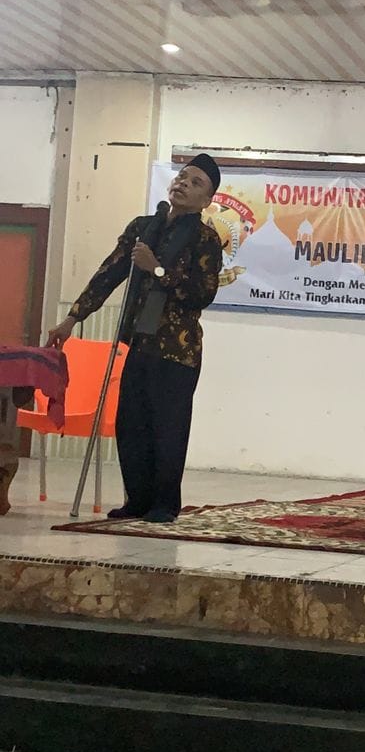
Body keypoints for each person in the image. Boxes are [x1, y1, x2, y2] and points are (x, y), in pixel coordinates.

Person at [48, 155, 224, 523]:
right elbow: (109, 273)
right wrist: (72, 318)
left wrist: (156, 269)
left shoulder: (205, 239)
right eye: (182, 177)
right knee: (131, 424)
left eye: (195, 183)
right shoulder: (144, 228)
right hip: (139, 343)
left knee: (167, 428)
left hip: (177, 351)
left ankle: (164, 504)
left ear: (207, 201)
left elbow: (201, 294)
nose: (183, 184)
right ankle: (138, 500)